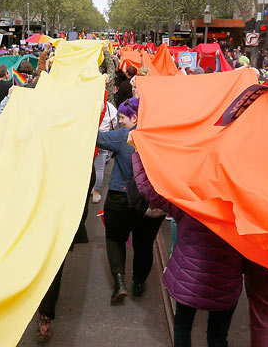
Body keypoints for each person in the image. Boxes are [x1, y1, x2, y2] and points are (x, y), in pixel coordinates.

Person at [133, 151, 243, 347]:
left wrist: (139, 151)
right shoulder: (242, 208)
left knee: (182, 326)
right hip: (227, 284)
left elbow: (149, 190)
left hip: (188, 282)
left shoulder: (190, 203)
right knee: (218, 336)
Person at [96, 97, 164, 304]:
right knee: (144, 244)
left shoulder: (125, 136)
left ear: (135, 117)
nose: (121, 122)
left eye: (124, 118)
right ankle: (139, 283)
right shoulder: (162, 138)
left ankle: (119, 282)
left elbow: (95, 137)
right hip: (151, 203)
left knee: (115, 239)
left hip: (120, 197)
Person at [92, 98, 118, 204]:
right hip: (104, 139)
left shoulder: (89, 103)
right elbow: (114, 123)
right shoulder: (110, 107)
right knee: (99, 168)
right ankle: (96, 192)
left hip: (89, 138)